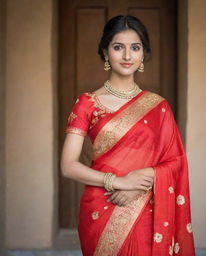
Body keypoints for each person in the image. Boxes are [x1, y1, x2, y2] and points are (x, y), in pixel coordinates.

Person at [61, 15, 195, 256]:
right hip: (102, 207)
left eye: (135, 47)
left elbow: (176, 161)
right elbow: (68, 166)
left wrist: (145, 177)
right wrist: (119, 182)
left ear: (143, 54)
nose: (127, 56)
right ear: (105, 52)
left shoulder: (158, 106)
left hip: (146, 209)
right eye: (118, 47)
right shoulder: (87, 104)